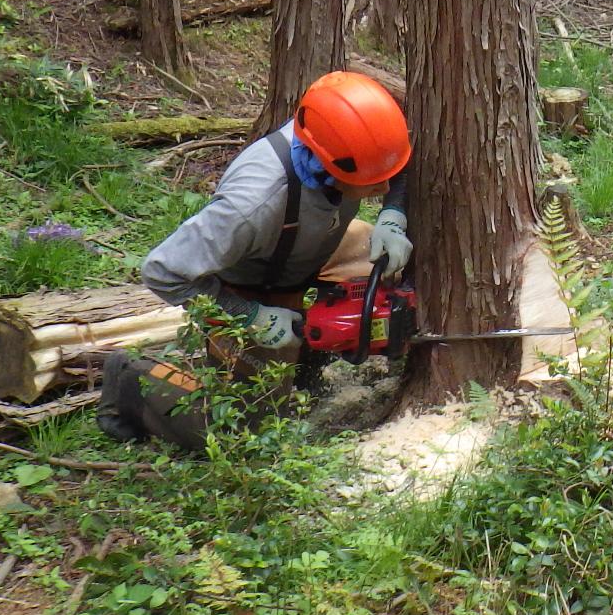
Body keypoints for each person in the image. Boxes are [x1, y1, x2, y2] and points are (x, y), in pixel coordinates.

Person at [97, 71, 414, 447]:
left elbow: (398, 165)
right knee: (245, 432)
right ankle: (129, 380)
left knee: (389, 274)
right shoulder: (250, 206)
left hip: (312, 245)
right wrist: (249, 315)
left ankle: (310, 355)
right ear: (331, 164)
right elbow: (162, 271)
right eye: (373, 180)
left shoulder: (347, 137)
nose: (383, 186)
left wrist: (393, 214)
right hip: (248, 284)